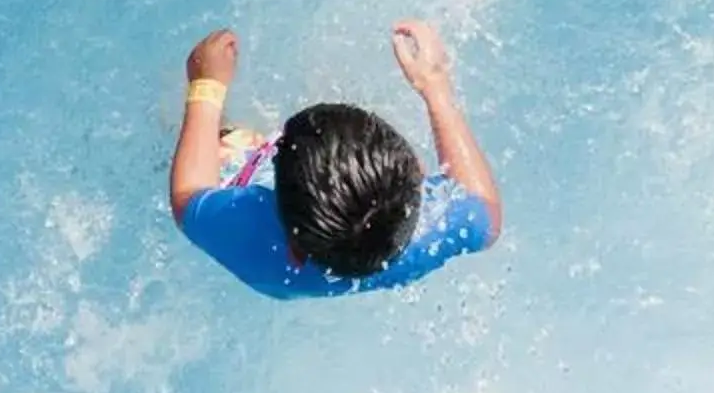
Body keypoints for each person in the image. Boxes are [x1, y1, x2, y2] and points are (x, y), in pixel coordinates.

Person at [168, 20, 501, 300]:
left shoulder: (254, 236)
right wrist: (435, 86)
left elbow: (187, 196)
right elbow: (486, 210)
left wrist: (206, 87)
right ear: (415, 175)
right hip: (326, 223)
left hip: (264, 225)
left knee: (225, 144)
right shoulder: (424, 236)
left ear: (294, 252)